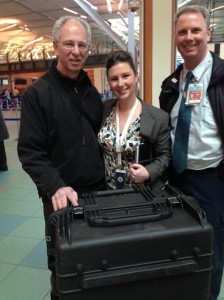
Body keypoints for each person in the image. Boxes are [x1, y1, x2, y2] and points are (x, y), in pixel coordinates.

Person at [17, 15, 105, 299]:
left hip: (97, 194)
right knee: (65, 267)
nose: (76, 51)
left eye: (82, 45)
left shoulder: (91, 92)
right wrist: (56, 185)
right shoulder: (37, 94)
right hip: (60, 199)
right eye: (69, 44)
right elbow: (31, 152)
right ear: (55, 46)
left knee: (97, 263)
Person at [159, 5, 224, 300]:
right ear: (175, 37)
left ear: (208, 34)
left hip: (213, 181)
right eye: (182, 31)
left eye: (196, 30)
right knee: (178, 249)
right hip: (177, 181)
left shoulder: (222, 79)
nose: (189, 37)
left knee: (210, 254)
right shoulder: (171, 84)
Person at [98, 50, 171, 190]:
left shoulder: (157, 117)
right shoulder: (103, 110)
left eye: (126, 76)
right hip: (107, 193)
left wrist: (149, 172)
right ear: (108, 81)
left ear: (136, 76)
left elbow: (165, 156)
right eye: (114, 79)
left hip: (142, 194)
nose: (120, 83)